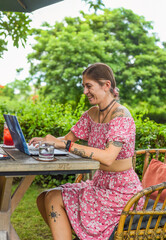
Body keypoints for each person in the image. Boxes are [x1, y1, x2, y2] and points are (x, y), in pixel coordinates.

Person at [29, 63, 144, 240]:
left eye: (89, 86)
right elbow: (68, 139)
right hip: (98, 184)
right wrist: (49, 141)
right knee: (43, 197)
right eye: (84, 86)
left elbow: (108, 157)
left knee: (53, 197)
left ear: (106, 85)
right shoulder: (92, 114)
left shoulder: (121, 116)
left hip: (120, 193)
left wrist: (65, 145)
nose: (85, 92)